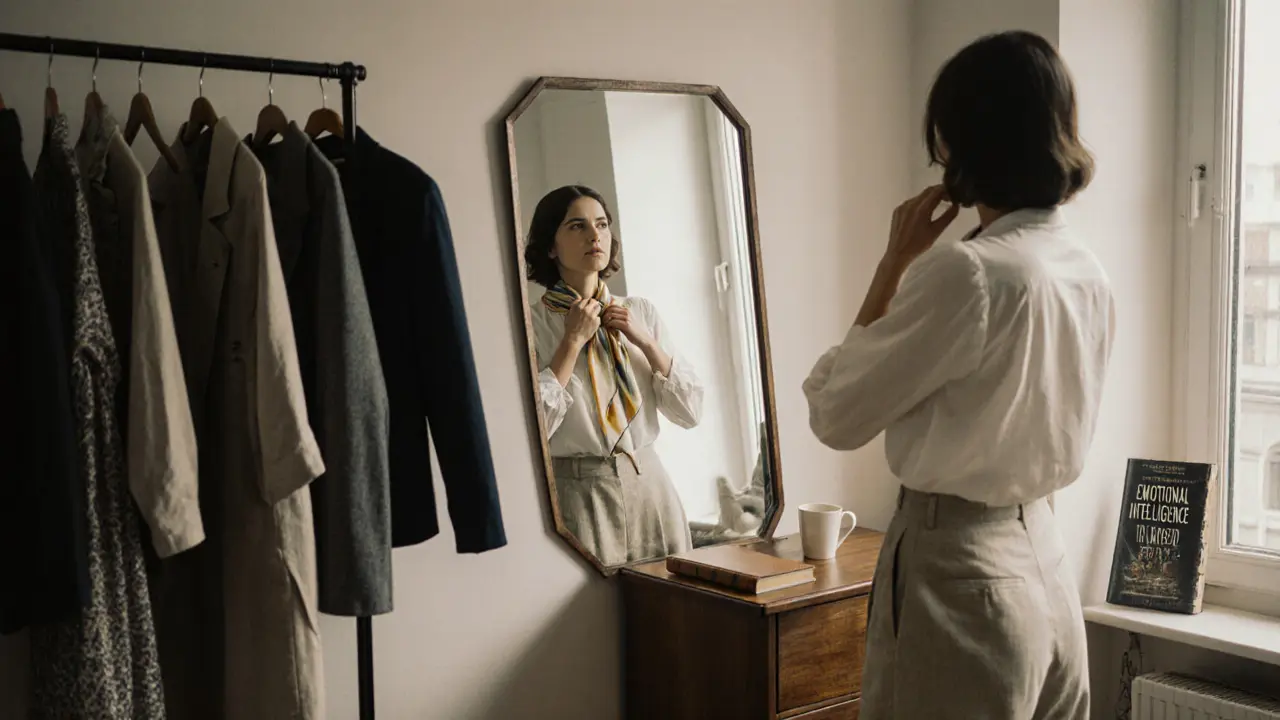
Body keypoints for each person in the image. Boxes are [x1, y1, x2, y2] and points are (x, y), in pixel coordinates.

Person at [802, 31, 1112, 719]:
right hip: (1047, 566)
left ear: (960, 143)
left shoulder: (968, 272)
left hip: (961, 569)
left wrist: (894, 263)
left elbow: (835, 414)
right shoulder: (1083, 267)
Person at [526, 185, 704, 566]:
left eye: (602, 224)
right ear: (551, 246)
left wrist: (645, 342)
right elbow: (533, 430)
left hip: (652, 486)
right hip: (580, 495)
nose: (594, 235)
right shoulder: (532, 324)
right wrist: (571, 342)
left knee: (674, 600)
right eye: (577, 226)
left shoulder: (641, 312)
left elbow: (690, 412)